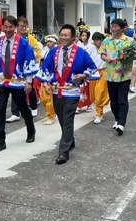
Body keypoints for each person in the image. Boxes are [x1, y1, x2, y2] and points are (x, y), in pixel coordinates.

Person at [36, 24, 99, 164]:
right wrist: (46, 83)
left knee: (68, 120)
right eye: (62, 34)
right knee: (62, 119)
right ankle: (70, 140)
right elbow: (45, 69)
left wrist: (83, 75)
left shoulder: (81, 52)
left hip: (72, 91)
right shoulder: (53, 51)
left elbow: (93, 69)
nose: (63, 37)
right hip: (57, 91)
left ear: (73, 37)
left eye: (66, 35)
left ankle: (63, 152)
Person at [0, 15, 38, 153]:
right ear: (2, 27)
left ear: (15, 27)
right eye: (5, 26)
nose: (8, 29)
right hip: (3, 81)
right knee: (1, 110)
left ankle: (31, 129)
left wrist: (28, 82)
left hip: (18, 81)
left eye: (11, 26)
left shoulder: (22, 43)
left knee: (22, 107)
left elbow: (29, 60)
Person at [98, 18, 136, 135]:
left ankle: (121, 123)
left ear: (122, 28)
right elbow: (102, 54)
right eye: (112, 26)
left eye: (116, 26)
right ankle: (117, 118)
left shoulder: (129, 41)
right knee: (113, 100)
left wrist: (126, 57)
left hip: (124, 75)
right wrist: (107, 58)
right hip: (110, 74)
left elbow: (135, 55)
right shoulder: (106, 40)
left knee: (122, 99)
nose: (113, 29)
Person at [7, 16, 41, 122]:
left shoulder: (30, 38)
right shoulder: (13, 37)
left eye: (25, 26)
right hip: (15, 67)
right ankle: (15, 112)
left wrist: (29, 56)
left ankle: (33, 107)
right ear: (17, 27)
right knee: (14, 87)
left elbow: (37, 50)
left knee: (30, 88)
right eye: (21, 26)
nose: (23, 28)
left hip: (27, 67)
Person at [90, 32, 110, 124]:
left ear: (101, 40)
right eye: (94, 40)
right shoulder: (91, 49)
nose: (95, 42)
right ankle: (99, 111)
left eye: (97, 40)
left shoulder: (107, 48)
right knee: (93, 95)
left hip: (103, 72)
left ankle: (99, 114)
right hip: (93, 73)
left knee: (100, 93)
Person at [39, 34, 58, 125]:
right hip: (43, 75)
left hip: (52, 77)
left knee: (49, 97)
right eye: (47, 42)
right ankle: (52, 113)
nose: (48, 43)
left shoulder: (57, 51)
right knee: (43, 98)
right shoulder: (45, 50)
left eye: (50, 42)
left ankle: (51, 116)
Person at [75, 29, 94, 114]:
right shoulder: (78, 46)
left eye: (85, 35)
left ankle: (89, 104)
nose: (83, 37)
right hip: (80, 68)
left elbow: (92, 58)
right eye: (82, 35)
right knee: (80, 87)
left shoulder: (91, 47)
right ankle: (79, 106)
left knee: (87, 87)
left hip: (87, 68)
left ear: (88, 37)